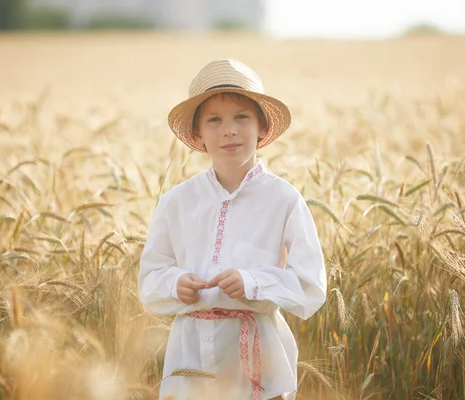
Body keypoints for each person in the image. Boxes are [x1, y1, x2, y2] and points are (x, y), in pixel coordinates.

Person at [137, 59, 327, 400]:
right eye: (214, 120)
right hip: (189, 358)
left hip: (260, 358)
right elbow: (150, 279)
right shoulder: (176, 201)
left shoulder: (284, 199)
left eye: (242, 117)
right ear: (197, 134)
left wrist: (252, 282)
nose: (229, 130)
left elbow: (310, 284)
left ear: (262, 128)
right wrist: (175, 283)